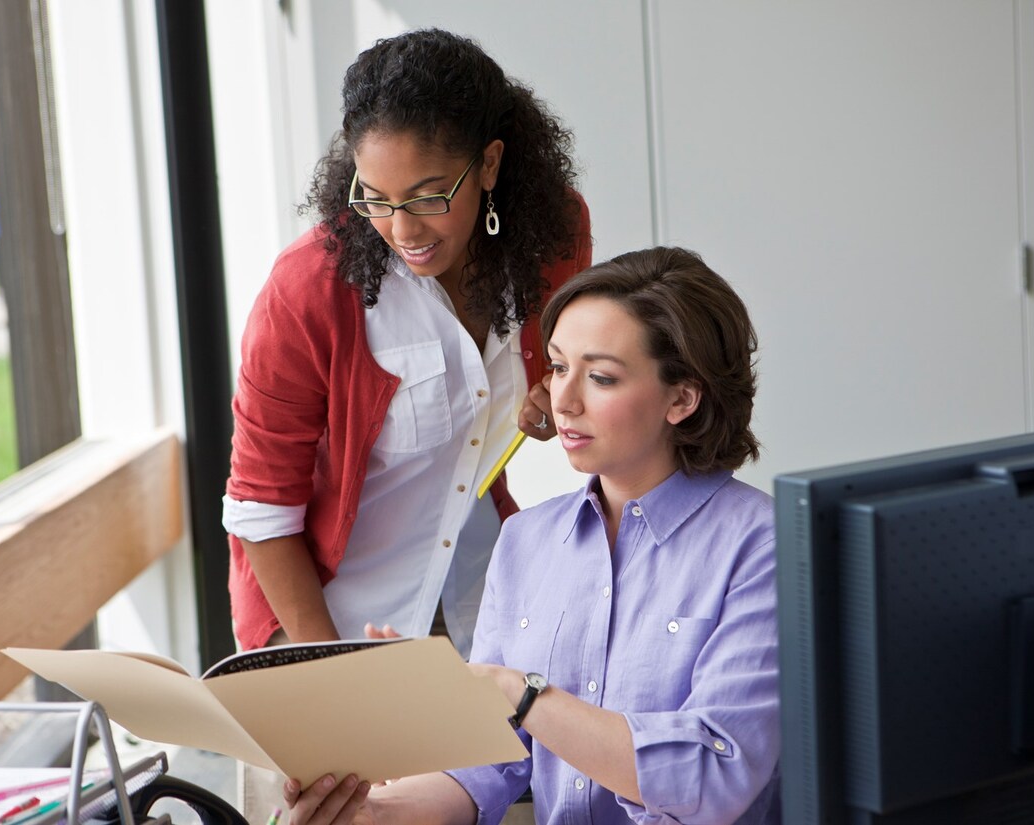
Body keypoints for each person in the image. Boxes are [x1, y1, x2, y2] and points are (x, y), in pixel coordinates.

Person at [284, 246, 781, 824]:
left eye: (599, 377)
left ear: (682, 398)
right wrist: (370, 814)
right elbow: (487, 765)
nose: (562, 401)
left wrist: (519, 693)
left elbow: (715, 776)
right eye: (558, 366)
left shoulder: (763, 547)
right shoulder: (525, 542)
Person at [222, 27, 591, 658]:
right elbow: (261, 510)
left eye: (427, 195)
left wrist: (551, 389)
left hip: (475, 598)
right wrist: (327, 671)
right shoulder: (308, 289)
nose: (402, 228)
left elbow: (571, 358)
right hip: (326, 618)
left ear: (491, 164)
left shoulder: (551, 237)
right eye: (375, 198)